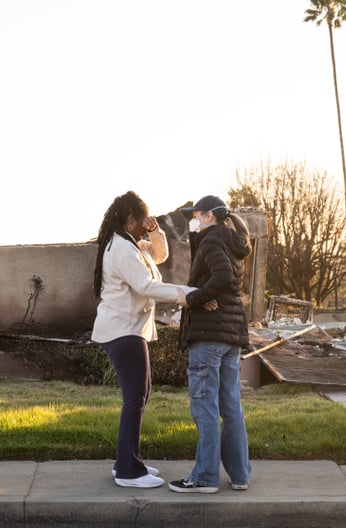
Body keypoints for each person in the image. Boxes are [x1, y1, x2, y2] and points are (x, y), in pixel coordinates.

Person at [91, 191, 195, 489]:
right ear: (129, 218)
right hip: (123, 330)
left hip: (129, 330)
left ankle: (126, 460)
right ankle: (128, 471)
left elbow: (160, 255)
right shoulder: (122, 249)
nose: (145, 224)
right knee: (135, 398)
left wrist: (155, 230)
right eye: (142, 219)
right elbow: (146, 285)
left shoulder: (132, 244)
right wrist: (189, 295)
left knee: (139, 397)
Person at [169, 195, 252, 494]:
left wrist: (193, 298)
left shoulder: (212, 241)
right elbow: (220, 276)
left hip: (209, 337)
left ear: (209, 216)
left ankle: (205, 477)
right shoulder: (230, 241)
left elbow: (222, 276)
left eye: (196, 215)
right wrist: (204, 293)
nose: (193, 219)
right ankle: (240, 475)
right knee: (231, 407)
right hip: (230, 337)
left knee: (204, 407)